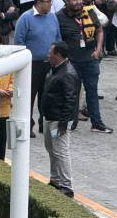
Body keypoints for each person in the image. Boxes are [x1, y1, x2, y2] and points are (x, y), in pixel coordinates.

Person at [56, 0, 112, 133]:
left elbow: (99, 30)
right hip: (71, 62)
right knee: (72, 93)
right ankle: (71, 122)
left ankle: (97, 123)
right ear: (67, 1)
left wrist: (98, 49)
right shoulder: (59, 17)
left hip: (90, 59)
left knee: (92, 92)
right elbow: (56, 39)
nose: (78, 2)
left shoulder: (89, 11)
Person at [41, 41, 79, 198]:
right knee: (52, 149)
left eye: (50, 53)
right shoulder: (56, 69)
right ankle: (55, 180)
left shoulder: (67, 73)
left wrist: (63, 122)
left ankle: (66, 185)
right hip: (51, 117)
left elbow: (70, 100)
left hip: (58, 120)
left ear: (57, 55)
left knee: (60, 151)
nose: (48, 55)